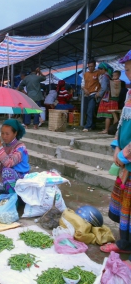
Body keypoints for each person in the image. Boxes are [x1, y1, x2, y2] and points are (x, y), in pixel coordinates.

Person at [99, 50, 131, 270]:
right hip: (125, 160)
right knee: (125, 206)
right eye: (127, 69)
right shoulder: (129, 93)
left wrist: (124, 155)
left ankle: (125, 243)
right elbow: (121, 126)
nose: (129, 73)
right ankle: (125, 243)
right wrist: (117, 147)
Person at [96, 62, 118, 134]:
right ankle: (114, 129)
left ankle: (106, 129)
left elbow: (104, 88)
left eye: (99, 70)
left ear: (103, 69)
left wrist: (99, 94)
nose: (99, 71)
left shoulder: (105, 76)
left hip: (107, 97)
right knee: (113, 114)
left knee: (107, 115)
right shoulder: (110, 76)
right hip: (113, 97)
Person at [82, 59, 101, 132]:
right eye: (89, 66)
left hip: (94, 94)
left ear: (95, 66)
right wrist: (85, 89)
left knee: (90, 110)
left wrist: (98, 92)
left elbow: (101, 83)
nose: (90, 68)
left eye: (92, 66)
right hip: (86, 95)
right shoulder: (85, 74)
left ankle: (87, 126)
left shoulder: (98, 73)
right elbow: (82, 84)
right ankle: (92, 125)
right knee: (87, 110)